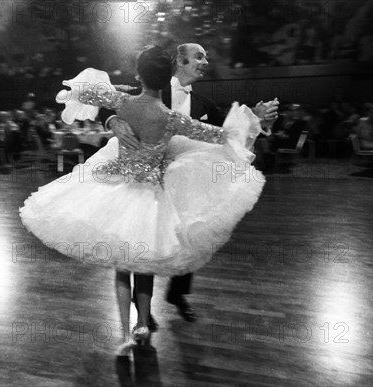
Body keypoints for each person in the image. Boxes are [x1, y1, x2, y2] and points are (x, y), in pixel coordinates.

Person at [20, 46, 267, 356]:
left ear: (139, 75)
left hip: (118, 192)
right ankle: (142, 326)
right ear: (167, 77)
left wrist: (117, 95)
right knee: (144, 268)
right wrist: (251, 120)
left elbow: (85, 91)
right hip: (150, 198)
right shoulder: (172, 118)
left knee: (121, 269)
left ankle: (125, 333)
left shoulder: (123, 102)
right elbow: (219, 135)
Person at [99, 43, 278, 325]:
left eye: (206, 56)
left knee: (191, 232)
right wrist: (112, 121)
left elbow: (226, 136)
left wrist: (254, 118)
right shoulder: (152, 87)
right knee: (144, 240)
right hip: (146, 178)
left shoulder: (206, 105)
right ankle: (142, 308)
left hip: (185, 181)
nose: (206, 61)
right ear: (180, 61)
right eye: (199, 56)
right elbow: (108, 103)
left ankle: (176, 293)